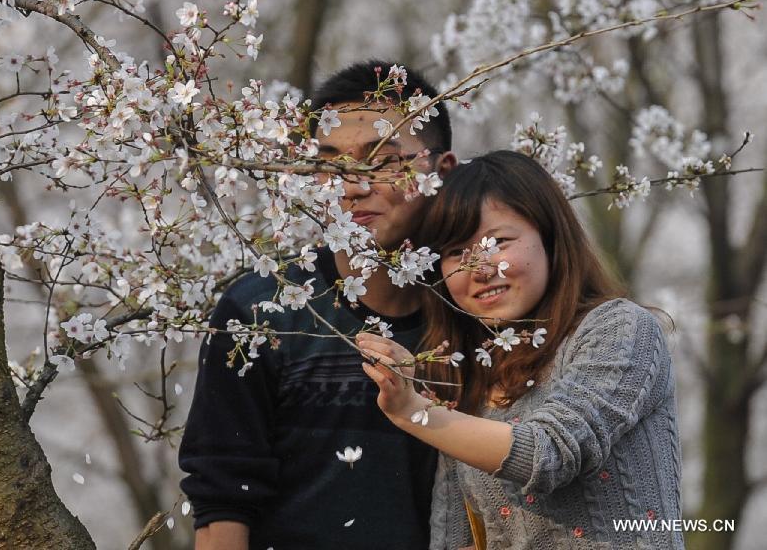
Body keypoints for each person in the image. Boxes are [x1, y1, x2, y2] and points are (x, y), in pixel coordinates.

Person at [179, 60, 458, 550]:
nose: (353, 186)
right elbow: (223, 495)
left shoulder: (474, 313)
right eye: (330, 164)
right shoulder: (260, 313)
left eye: (383, 160)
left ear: (442, 170)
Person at [358, 150, 683, 549]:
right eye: (457, 253)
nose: (479, 268)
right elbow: (454, 534)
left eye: (497, 242)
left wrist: (415, 412)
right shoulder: (467, 374)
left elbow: (552, 453)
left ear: (549, 237)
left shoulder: (620, 328)